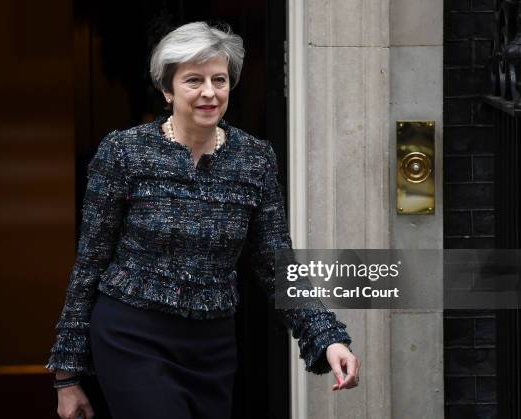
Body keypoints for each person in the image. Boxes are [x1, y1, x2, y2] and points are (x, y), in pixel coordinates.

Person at [46, 21, 360, 419]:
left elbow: (276, 263)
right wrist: (66, 376)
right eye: (194, 80)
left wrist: (328, 339)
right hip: (132, 335)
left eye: (220, 79)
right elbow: (90, 262)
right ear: (167, 89)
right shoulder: (124, 152)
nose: (210, 92)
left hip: (212, 346)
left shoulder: (255, 158)